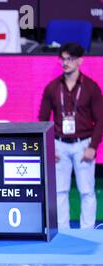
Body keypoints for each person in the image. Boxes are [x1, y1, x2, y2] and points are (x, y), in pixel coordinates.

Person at [39, 42, 102, 230]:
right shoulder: (52, 88)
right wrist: (49, 147)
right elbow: (43, 120)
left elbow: (100, 120)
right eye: (63, 59)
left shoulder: (91, 87)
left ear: (80, 61)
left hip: (84, 144)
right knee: (59, 191)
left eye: (70, 59)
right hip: (59, 145)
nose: (65, 63)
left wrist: (93, 147)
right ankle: (63, 233)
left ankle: (88, 232)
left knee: (87, 191)